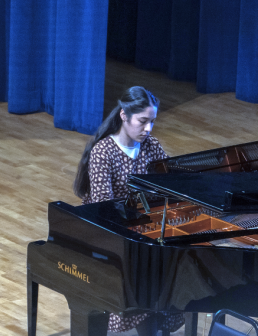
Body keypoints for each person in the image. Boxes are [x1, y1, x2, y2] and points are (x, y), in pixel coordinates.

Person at [73, 86, 184, 335]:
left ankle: (157, 321)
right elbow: (104, 206)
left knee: (174, 261)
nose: (148, 129)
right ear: (124, 115)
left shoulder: (151, 146)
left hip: (142, 229)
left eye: (152, 122)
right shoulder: (104, 151)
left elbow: (168, 184)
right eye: (143, 121)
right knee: (148, 272)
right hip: (108, 232)